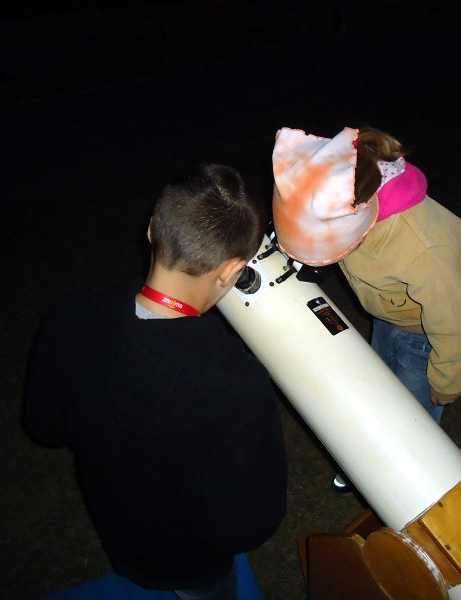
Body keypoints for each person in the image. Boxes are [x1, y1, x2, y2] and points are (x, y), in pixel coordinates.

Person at [23, 163, 287, 599]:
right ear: (230, 271)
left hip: (119, 531)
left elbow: (45, 425)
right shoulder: (238, 386)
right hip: (193, 562)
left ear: (151, 230)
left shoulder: (72, 314)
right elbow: (243, 525)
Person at [271, 126, 461, 491]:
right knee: (381, 387)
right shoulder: (351, 196)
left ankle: (407, 477)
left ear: (357, 213)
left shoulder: (422, 251)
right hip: (389, 316)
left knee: (414, 413)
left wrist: (448, 381)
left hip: (425, 336)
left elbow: (452, 324)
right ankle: (370, 462)